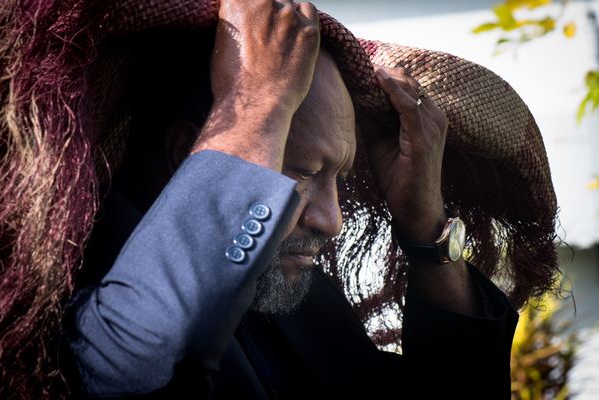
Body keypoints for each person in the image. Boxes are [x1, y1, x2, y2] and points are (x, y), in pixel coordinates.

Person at [60, 1, 519, 399]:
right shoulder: (61, 283)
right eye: (301, 173)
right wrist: (258, 102)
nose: (331, 220)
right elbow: (130, 367)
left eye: (337, 177)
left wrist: (427, 232)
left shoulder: (304, 303)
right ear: (189, 156)